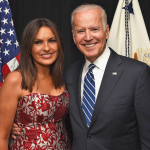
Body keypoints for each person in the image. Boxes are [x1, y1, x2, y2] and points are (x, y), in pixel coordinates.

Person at [11, 4, 150, 150]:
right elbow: (56, 117)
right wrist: (19, 125)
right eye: (81, 31)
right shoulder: (68, 75)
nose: (88, 37)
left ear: (107, 32)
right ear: (74, 36)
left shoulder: (137, 73)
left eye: (94, 29)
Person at [0, 18, 71, 150]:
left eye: (52, 40)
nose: (46, 48)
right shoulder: (15, 79)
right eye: (38, 42)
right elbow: (1, 137)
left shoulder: (63, 77)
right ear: (28, 46)